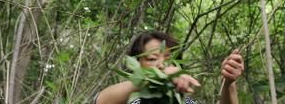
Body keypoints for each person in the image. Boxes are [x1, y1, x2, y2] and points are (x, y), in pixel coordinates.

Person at [95, 31, 244, 104]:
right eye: (152, 58)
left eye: (169, 59)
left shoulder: (185, 102)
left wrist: (229, 83)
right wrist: (159, 76)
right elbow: (102, 100)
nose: (161, 65)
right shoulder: (132, 100)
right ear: (137, 64)